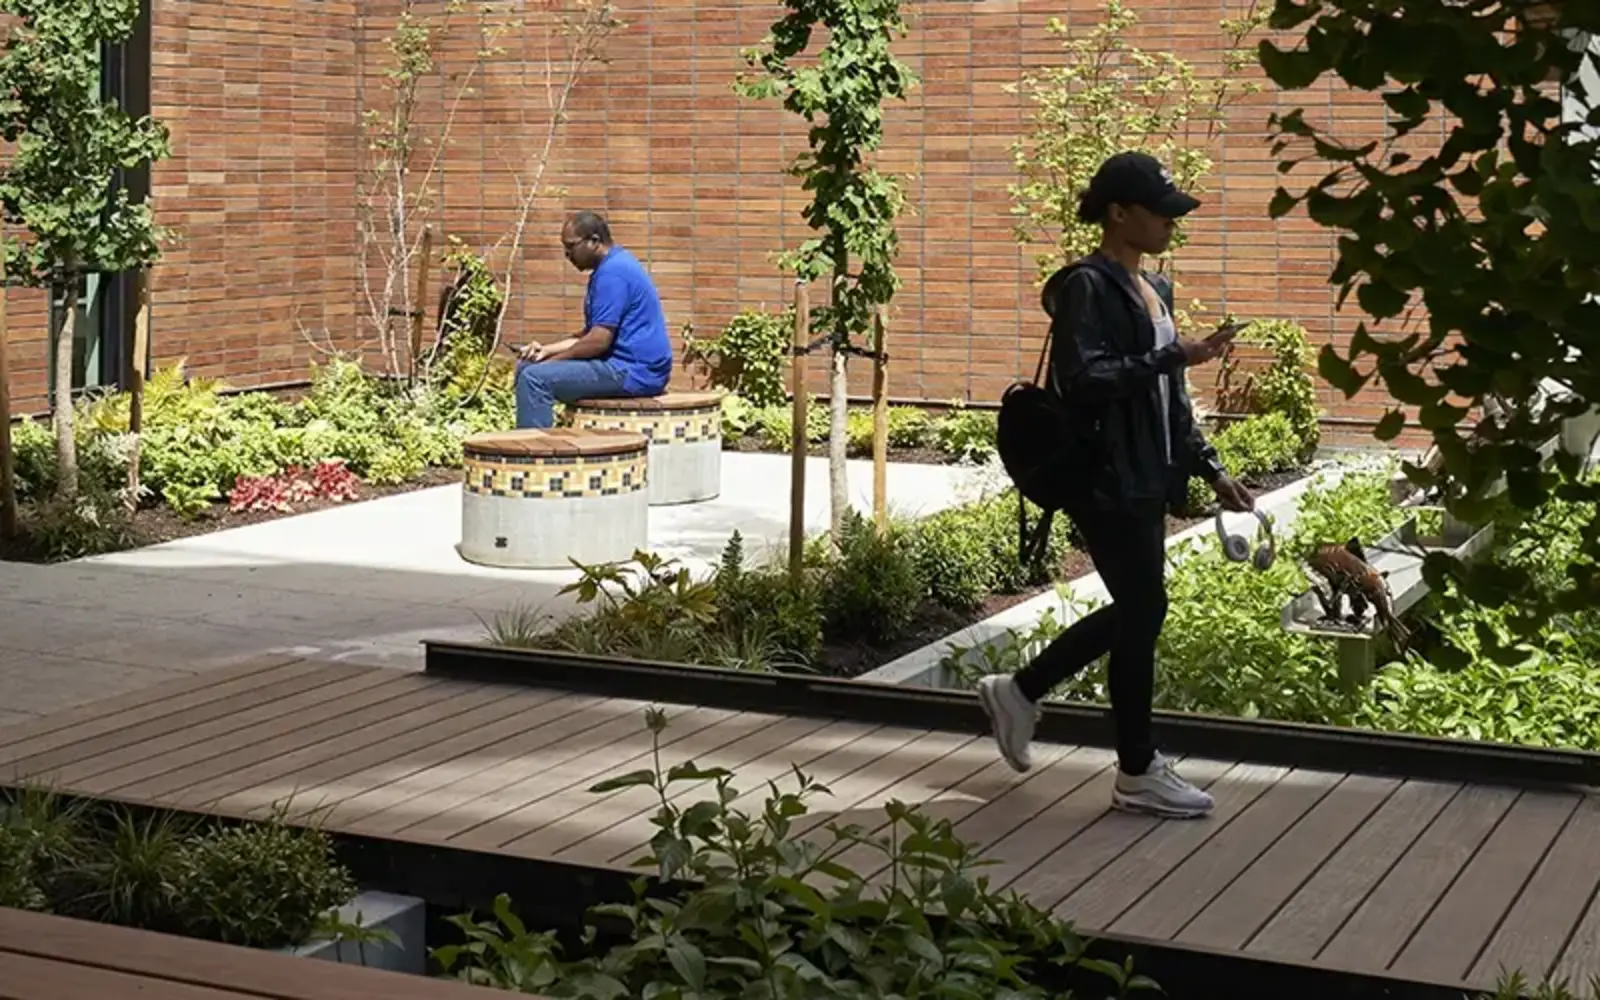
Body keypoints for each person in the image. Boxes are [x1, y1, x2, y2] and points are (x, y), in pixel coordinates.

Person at [976, 151, 1255, 820]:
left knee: (1141, 613)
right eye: (1160, 212)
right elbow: (1085, 378)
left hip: (1147, 475)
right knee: (1143, 610)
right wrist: (1172, 353)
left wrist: (1211, 468)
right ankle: (1125, 761)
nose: (1169, 224)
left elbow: (1171, 399)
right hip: (1103, 477)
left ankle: (1044, 708)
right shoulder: (1086, 287)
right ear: (1117, 213)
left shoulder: (1156, 290)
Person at [513, 211, 674, 428]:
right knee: (527, 367)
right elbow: (590, 334)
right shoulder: (612, 266)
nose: (567, 255)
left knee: (534, 378)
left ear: (594, 241)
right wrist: (547, 351)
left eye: (571, 247)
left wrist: (555, 362)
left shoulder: (613, 274)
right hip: (622, 365)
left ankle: (534, 453)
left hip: (635, 371)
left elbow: (598, 341)